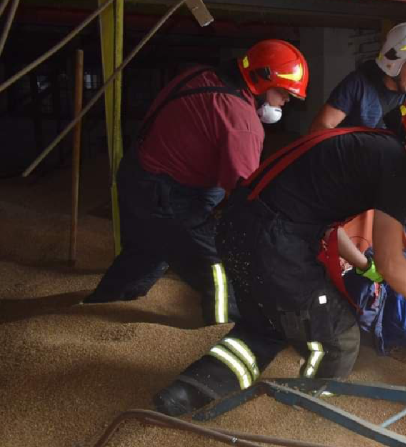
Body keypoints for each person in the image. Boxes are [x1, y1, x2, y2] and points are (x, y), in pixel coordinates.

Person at [153, 92, 406, 417]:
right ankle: (305, 421)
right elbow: (393, 262)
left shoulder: (364, 144)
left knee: (266, 328)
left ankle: (184, 393)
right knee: (340, 340)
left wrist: (365, 265)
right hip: (274, 242)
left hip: (237, 229)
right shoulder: (396, 167)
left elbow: (327, 224)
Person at [82, 40, 309, 326]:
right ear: (262, 82)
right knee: (217, 263)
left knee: (150, 248)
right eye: (284, 94)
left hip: (137, 174)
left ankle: (102, 306)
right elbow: (244, 198)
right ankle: (223, 328)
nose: (286, 102)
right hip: (163, 193)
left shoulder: (201, 75)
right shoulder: (241, 121)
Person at [308, 22, 406, 253]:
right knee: (336, 246)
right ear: (394, 63)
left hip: (387, 179)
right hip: (349, 180)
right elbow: (320, 129)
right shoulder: (357, 85)